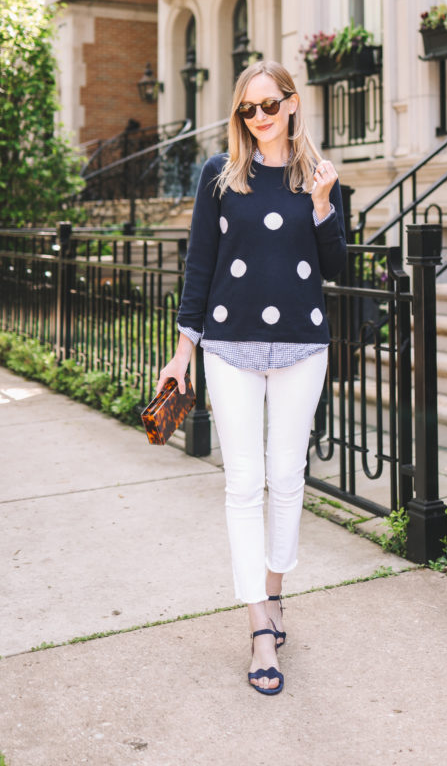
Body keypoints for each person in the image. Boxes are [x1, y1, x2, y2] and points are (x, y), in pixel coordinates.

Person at [156, 59, 346, 696]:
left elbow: (335, 266)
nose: (259, 118)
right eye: (248, 109)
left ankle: (275, 593)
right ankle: (259, 626)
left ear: (292, 104)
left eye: (270, 105)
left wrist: (322, 206)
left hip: (301, 344)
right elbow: (199, 267)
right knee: (243, 484)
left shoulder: (318, 177)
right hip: (230, 345)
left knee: (286, 479)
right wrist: (183, 351)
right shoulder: (220, 175)